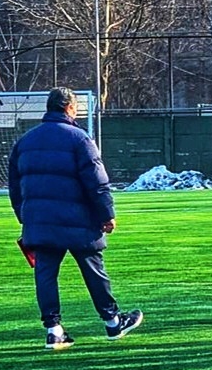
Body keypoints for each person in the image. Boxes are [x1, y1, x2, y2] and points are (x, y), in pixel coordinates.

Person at [8, 86, 143, 349]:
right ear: (70, 107)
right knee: (94, 270)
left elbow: (15, 185)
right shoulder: (80, 139)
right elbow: (97, 182)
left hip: (40, 220)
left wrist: (23, 215)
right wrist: (107, 214)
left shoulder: (25, 141)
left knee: (45, 274)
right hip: (79, 220)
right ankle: (112, 322)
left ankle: (54, 330)